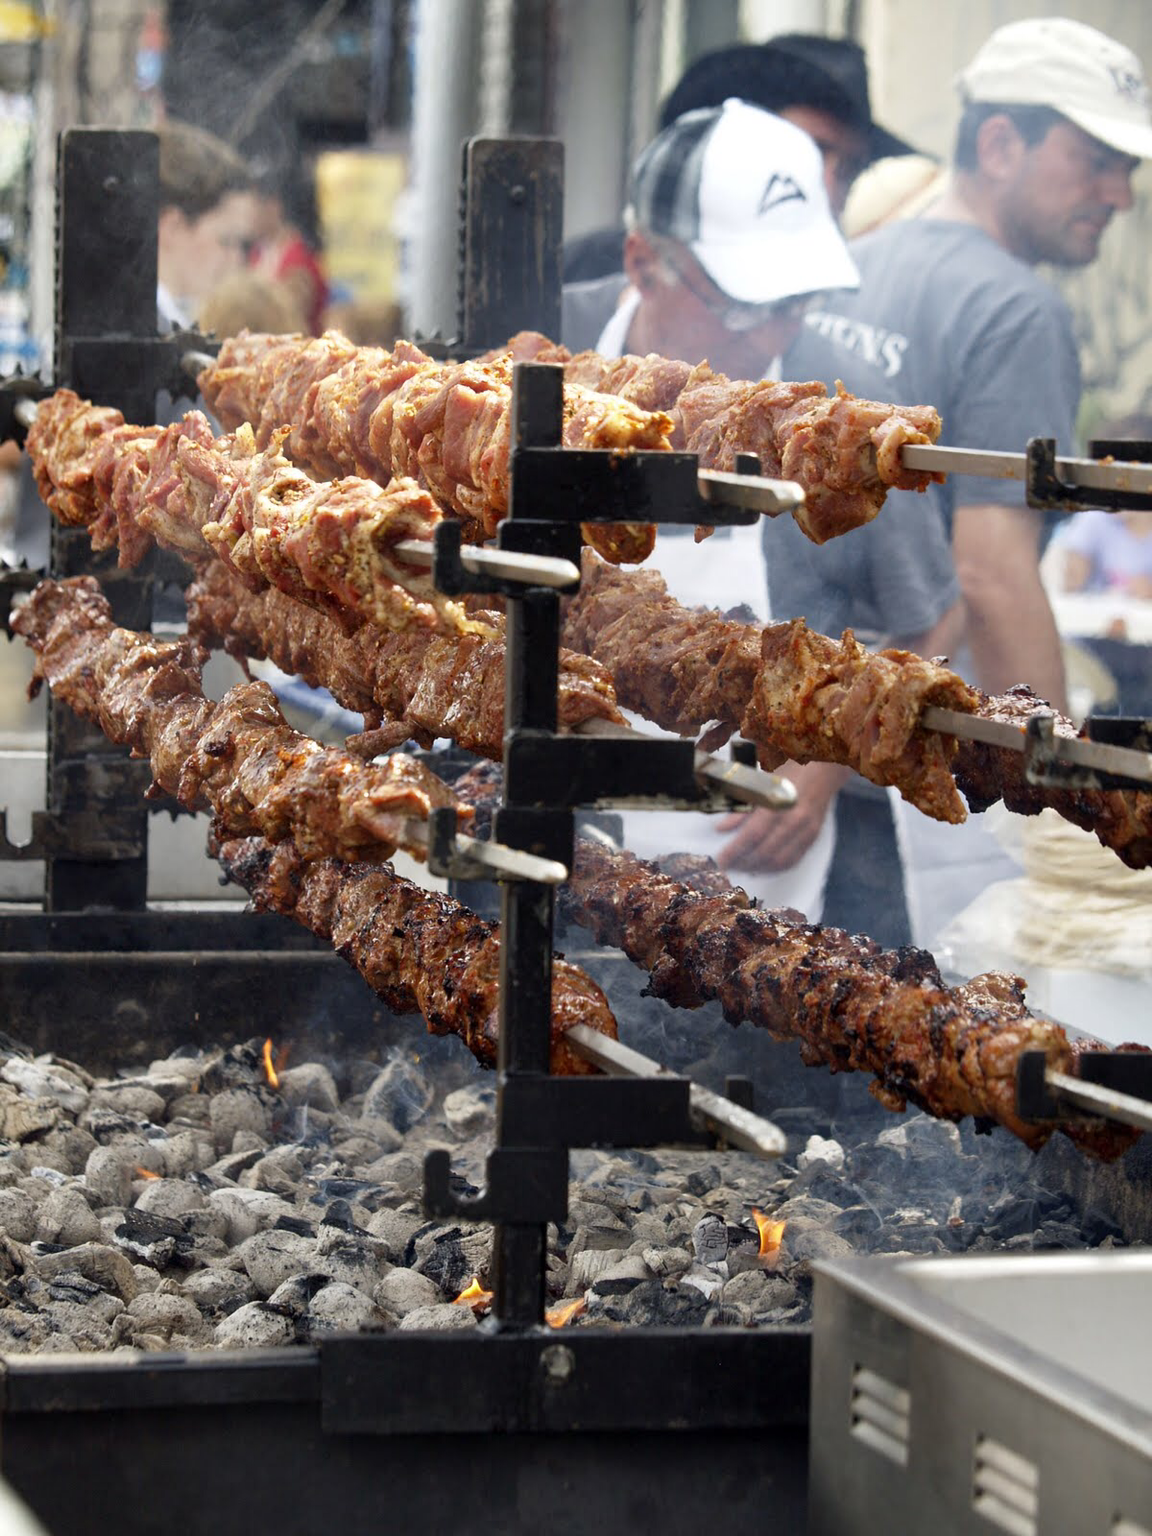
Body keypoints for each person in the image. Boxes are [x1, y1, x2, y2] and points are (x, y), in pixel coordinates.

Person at [768, 16, 1152, 947]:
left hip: (802, 732)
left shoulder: (861, 261)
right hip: (917, 782)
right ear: (1000, 143)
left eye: (1128, 167)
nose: (1120, 194)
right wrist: (1064, 799)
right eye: (1096, 161)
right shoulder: (1018, 311)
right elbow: (991, 574)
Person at [562, 99, 865, 917]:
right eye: (743, 305)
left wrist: (825, 764)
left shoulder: (836, 407)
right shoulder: (543, 346)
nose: (772, 339)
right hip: (546, 841)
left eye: (793, 303)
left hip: (746, 879)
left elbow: (921, 609)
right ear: (643, 262)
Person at [563, 33, 917, 283]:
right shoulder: (581, 274)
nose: (827, 185)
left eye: (849, 170)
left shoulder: (840, 300)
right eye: (809, 152)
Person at [156, 120, 255, 330]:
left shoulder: (174, 323)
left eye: (242, 245)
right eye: (227, 240)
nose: (238, 259)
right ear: (172, 228)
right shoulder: (151, 329)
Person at [247, 166, 329, 336]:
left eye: (253, 207)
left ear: (273, 206)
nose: (248, 216)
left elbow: (290, 320)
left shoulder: (299, 258)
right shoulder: (256, 254)